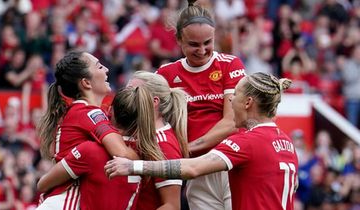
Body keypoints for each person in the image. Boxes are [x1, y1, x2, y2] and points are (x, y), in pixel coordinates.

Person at [105, 72, 299, 210]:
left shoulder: (247, 142)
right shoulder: (287, 142)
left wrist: (134, 167)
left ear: (248, 102)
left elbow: (192, 169)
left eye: (236, 95)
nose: (230, 101)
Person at [37, 71, 189, 210]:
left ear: (154, 102)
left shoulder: (163, 143)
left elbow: (172, 206)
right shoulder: (135, 140)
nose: (130, 95)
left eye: (134, 91)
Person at [155, 0, 246, 209]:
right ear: (179, 40)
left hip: (230, 163)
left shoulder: (229, 64)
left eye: (208, 42)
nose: (203, 50)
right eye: (194, 44)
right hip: (196, 171)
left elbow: (231, 122)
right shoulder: (166, 74)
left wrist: (186, 148)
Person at [36, 51, 138, 209]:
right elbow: (122, 154)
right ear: (86, 83)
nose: (106, 69)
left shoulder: (83, 111)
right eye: (99, 66)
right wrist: (151, 156)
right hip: (65, 201)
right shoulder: (90, 113)